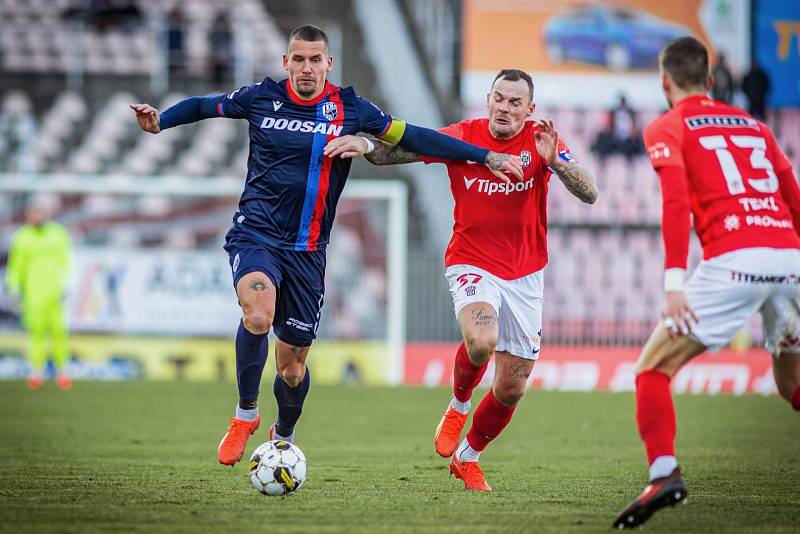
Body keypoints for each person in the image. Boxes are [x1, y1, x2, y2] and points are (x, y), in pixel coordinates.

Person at [130, 24, 523, 467]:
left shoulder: (350, 108)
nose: (306, 68)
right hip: (256, 235)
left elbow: (415, 136)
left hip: (309, 251)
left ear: (328, 64)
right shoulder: (261, 97)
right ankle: (244, 416)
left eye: (315, 60)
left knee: (292, 367)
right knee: (257, 313)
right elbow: (206, 105)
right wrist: (163, 119)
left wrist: (484, 156)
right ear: (286, 62)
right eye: (298, 59)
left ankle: (285, 434)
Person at [326, 68, 598, 491]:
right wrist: (363, 143)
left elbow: (590, 193)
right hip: (472, 261)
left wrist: (556, 164)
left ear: (530, 110)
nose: (505, 108)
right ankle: (458, 405)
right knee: (482, 340)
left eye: (514, 102)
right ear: (487, 100)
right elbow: (391, 153)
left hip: (526, 272)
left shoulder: (542, 142)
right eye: (498, 98)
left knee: (511, 387)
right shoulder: (463, 137)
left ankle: (467, 457)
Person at [613, 36, 800, 529]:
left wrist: (674, 283)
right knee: (792, 383)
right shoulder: (756, 126)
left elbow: (675, 202)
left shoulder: (668, 125)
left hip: (733, 260)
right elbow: (792, 195)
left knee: (651, 370)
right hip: (791, 259)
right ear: (712, 83)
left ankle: (663, 474)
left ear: (665, 82)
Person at [5, 198, 74, 390]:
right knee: (36, 332)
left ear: (45, 215)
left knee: (59, 331)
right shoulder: (22, 236)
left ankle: (63, 371)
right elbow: (16, 264)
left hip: (55, 292)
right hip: (33, 293)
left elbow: (66, 259)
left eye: (39, 213)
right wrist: (13, 286)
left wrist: (68, 283)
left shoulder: (58, 233)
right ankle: (37, 371)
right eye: (32, 214)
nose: (35, 217)